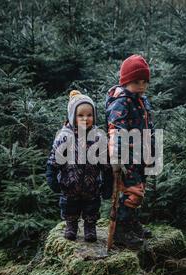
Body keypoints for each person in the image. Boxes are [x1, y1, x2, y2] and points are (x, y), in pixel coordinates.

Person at [46, 90, 112, 242]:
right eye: (80, 115)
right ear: (72, 116)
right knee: (70, 207)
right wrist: (51, 176)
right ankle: (71, 225)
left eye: (89, 115)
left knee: (92, 207)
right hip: (69, 184)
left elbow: (105, 163)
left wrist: (108, 182)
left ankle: (90, 227)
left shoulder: (98, 136)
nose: (85, 118)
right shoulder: (64, 136)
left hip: (91, 185)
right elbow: (54, 158)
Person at [105, 54, 155, 248]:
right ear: (126, 81)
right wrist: (117, 157)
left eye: (144, 82)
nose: (141, 86)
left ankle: (133, 223)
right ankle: (121, 231)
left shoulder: (142, 100)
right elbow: (116, 131)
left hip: (142, 155)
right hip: (128, 158)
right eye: (136, 82)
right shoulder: (121, 103)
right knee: (131, 191)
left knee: (140, 190)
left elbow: (149, 126)